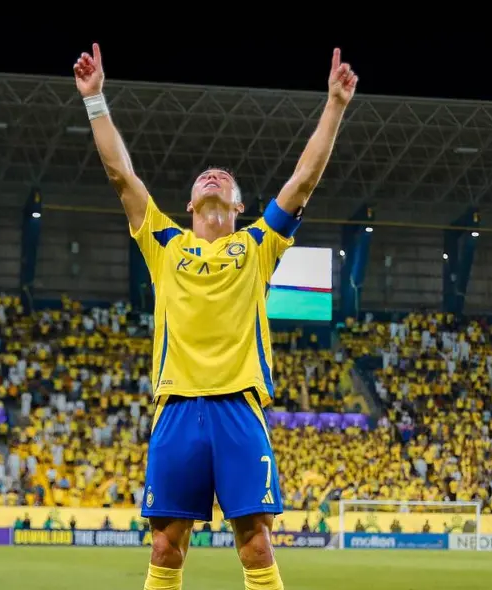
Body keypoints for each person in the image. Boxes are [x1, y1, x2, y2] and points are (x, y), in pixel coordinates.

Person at [73, 43, 357, 590]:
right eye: (204, 176)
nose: (212, 177)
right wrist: (95, 100)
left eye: (222, 177)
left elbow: (301, 181)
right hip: (176, 407)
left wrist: (335, 105)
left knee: (255, 544)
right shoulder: (164, 243)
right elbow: (122, 176)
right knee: (165, 546)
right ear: (188, 205)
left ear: (238, 205)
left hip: (237, 406)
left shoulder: (256, 246)